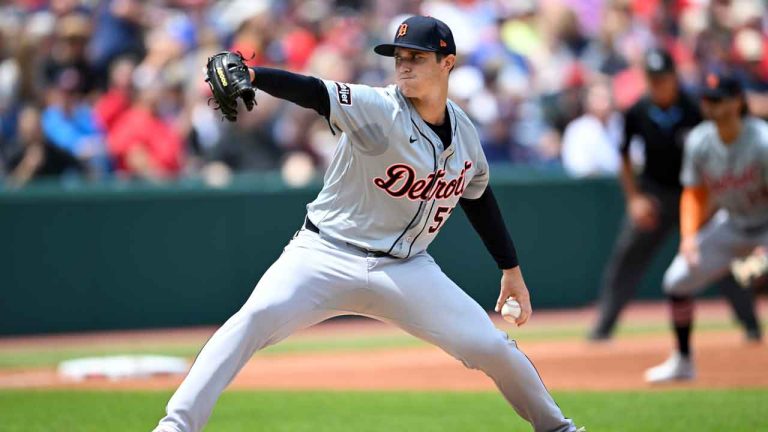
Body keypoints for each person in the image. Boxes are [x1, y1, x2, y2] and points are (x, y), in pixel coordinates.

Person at [153, 16, 582, 432]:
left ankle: (557, 428)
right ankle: (175, 427)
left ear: (447, 62)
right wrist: (254, 73)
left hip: (406, 269)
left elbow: (479, 198)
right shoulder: (378, 107)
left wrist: (511, 272)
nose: (404, 65)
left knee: (490, 346)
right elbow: (315, 92)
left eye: (416, 56)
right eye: (399, 57)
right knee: (251, 320)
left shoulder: (466, 133)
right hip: (324, 255)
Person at [588, 48, 761, 341]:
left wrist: (716, 197)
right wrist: (634, 199)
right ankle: (602, 328)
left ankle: (752, 327)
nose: (659, 85)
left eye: (664, 79)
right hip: (655, 196)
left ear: (674, 77)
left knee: (724, 256)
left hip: (698, 196)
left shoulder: (698, 105)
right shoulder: (638, 111)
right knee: (627, 257)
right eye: (653, 79)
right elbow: (625, 158)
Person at [645, 72, 768, 383]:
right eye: (707, 99)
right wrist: (689, 237)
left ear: (738, 101)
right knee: (676, 281)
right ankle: (683, 361)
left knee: (757, 276)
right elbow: (694, 194)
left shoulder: (762, 141)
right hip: (733, 224)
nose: (710, 105)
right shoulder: (700, 140)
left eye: (718, 99)